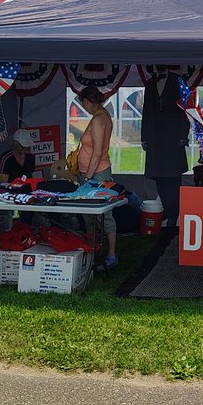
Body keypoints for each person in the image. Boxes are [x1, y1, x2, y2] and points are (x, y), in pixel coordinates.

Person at [141, 66, 190, 228]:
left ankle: (175, 214)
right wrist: (144, 137)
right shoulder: (149, 84)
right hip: (155, 138)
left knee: (174, 178)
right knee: (159, 178)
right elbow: (146, 112)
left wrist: (183, 136)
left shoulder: (178, 81)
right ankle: (167, 212)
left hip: (173, 138)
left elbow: (185, 109)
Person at [76, 85, 118, 269]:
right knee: (89, 214)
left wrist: (88, 179)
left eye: (83, 104)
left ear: (87, 101)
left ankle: (111, 255)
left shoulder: (99, 119)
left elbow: (98, 152)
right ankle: (93, 249)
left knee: (104, 214)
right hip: (91, 172)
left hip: (96, 173)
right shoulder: (102, 115)